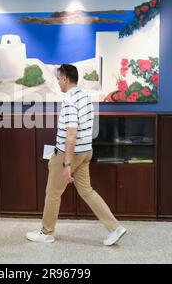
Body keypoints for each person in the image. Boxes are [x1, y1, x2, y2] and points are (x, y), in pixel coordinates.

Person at [26, 64, 126, 246]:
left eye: (58, 79)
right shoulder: (85, 97)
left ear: (65, 79)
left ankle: (46, 232)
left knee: (53, 193)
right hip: (86, 151)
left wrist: (66, 164)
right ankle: (115, 227)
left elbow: (71, 133)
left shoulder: (70, 100)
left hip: (68, 154)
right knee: (87, 191)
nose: (57, 83)